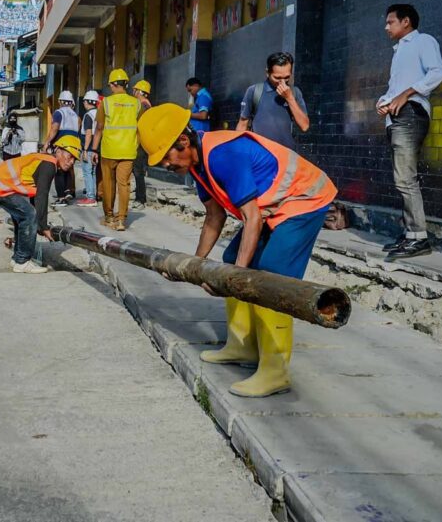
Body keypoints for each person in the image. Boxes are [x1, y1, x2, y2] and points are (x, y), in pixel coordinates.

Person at [138, 103, 336, 398]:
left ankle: (275, 371)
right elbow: (214, 217)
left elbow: (252, 218)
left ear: (182, 141)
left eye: (166, 156)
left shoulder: (222, 155)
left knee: (271, 277)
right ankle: (242, 346)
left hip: (304, 199)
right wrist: (193, 264)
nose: (165, 165)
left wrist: (236, 278)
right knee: (232, 258)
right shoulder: (198, 165)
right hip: (274, 207)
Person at [376, 3, 442, 259]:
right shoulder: (399, 52)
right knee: (401, 178)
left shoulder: (423, 41)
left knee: (405, 178)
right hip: (397, 117)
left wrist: (406, 94)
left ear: (406, 22)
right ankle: (409, 235)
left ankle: (419, 238)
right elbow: (395, 88)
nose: (386, 27)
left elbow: (438, 73)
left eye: (390, 22)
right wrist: (384, 100)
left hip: (411, 114)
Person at [0, 135, 82, 273]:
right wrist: (43, 226)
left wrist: (40, 224)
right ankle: (22, 262)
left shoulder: (45, 160)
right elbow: (42, 196)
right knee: (29, 215)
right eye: (69, 156)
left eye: (74, 159)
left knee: (22, 217)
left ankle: (18, 258)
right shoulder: (49, 165)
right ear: (58, 151)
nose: (71, 162)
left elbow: (35, 195)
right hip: (0, 186)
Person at [93, 69, 139, 231]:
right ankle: (121, 221)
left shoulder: (105, 102)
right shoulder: (136, 103)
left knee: (108, 184)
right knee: (124, 184)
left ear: (113, 85)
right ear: (126, 84)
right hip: (128, 150)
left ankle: (109, 217)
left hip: (109, 150)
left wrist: (93, 149)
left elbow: (99, 128)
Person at [236, 51, 310, 150]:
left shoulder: (295, 92)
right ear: (267, 73)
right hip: (260, 154)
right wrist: (237, 151)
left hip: (286, 155)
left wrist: (289, 98)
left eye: (287, 77)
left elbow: (304, 126)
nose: (282, 82)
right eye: (277, 78)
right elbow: (243, 124)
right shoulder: (254, 91)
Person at [44, 90, 80, 205]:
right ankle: (68, 191)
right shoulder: (76, 115)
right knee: (68, 169)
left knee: (59, 169)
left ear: (60, 101)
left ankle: (61, 197)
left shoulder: (58, 113)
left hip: (62, 144)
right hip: (74, 146)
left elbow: (55, 128)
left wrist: (47, 142)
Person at [131, 79, 153, 209]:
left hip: (140, 142)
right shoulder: (145, 104)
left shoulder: (143, 105)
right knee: (137, 170)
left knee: (138, 170)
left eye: (135, 90)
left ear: (139, 91)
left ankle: (141, 199)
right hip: (140, 141)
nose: (133, 92)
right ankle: (139, 196)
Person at [79, 90, 101, 207]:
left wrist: (85, 150)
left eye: (84, 101)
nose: (83, 103)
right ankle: (93, 195)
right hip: (96, 148)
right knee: (92, 173)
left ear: (88, 102)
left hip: (89, 148)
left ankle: (90, 197)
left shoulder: (88, 115)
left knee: (88, 172)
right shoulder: (98, 113)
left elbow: (88, 133)